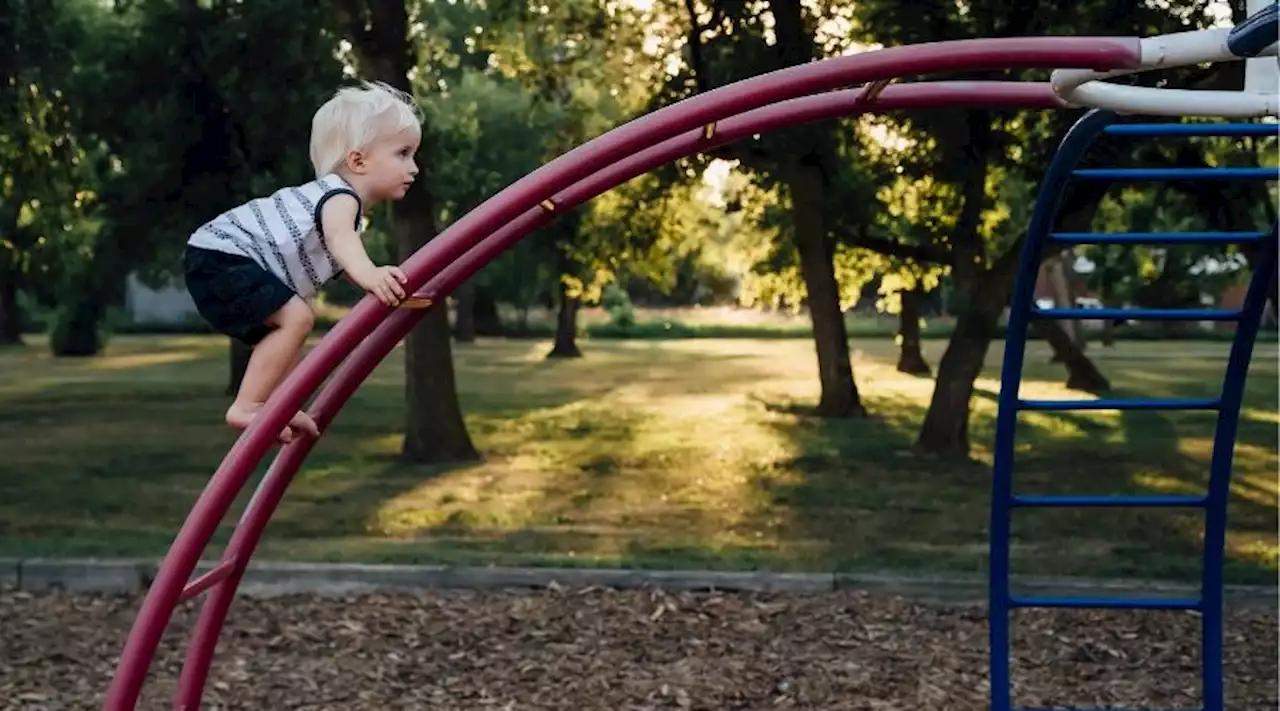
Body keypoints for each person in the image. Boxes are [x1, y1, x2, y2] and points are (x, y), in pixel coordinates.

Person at [182, 80, 420, 444]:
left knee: (289, 333)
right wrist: (372, 275)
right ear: (358, 160)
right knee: (298, 317)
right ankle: (247, 405)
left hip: (216, 259)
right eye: (403, 154)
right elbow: (343, 243)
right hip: (223, 256)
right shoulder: (341, 197)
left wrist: (377, 287)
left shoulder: (334, 204)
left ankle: (280, 405)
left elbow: (340, 260)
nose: (414, 167)